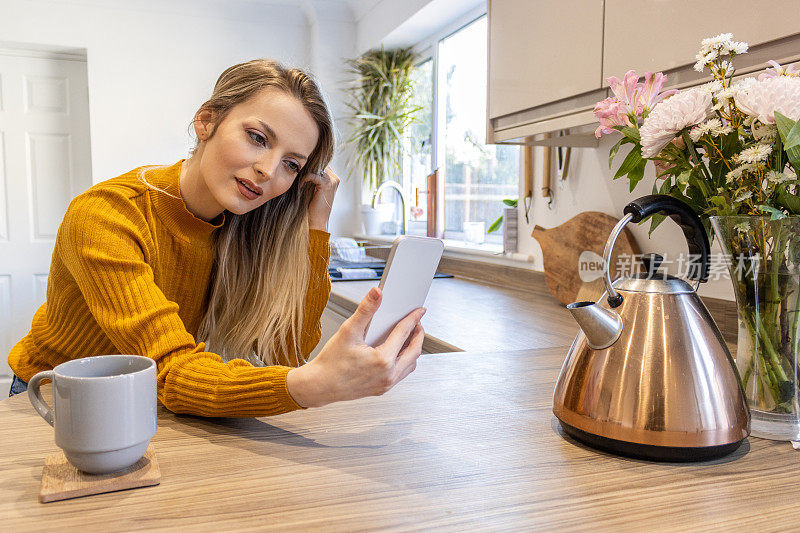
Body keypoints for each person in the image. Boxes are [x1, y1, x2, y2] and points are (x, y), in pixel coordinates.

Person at [6, 59, 426, 415]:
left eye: (292, 165)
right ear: (206, 120)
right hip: (55, 398)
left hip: (146, 400)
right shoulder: (107, 216)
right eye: (258, 138)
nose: (268, 170)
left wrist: (317, 221)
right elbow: (170, 367)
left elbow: (287, 351)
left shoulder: (241, 224)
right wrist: (312, 386)